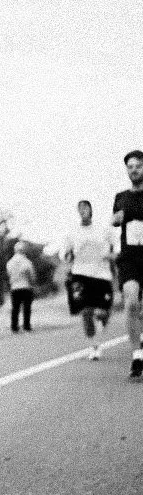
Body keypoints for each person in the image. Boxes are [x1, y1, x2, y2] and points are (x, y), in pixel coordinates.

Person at [62, 200, 114, 359]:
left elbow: (115, 248)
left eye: (86, 208)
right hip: (80, 274)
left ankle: (102, 321)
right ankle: (94, 347)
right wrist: (68, 256)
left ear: (91, 210)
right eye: (80, 209)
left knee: (103, 312)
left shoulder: (103, 230)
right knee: (86, 311)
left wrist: (113, 258)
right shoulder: (72, 232)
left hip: (101, 274)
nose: (83, 211)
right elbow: (66, 254)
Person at [112, 150, 143, 381]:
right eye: (130, 166)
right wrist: (118, 217)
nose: (134, 170)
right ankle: (137, 355)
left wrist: (130, 214)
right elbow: (114, 220)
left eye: (138, 166)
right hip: (129, 258)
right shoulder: (121, 196)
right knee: (131, 302)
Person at [6, 240, 36, 332]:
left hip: (14, 287)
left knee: (15, 308)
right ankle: (26, 326)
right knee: (26, 307)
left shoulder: (10, 262)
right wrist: (32, 283)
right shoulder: (26, 261)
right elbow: (31, 274)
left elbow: (9, 274)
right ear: (24, 250)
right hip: (25, 285)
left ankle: (14, 326)